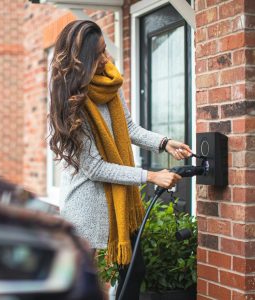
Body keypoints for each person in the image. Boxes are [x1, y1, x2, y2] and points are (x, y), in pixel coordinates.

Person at [48, 20, 192, 299]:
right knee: (86, 288)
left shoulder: (110, 83)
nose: (107, 59)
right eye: (98, 55)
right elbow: (95, 168)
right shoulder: (69, 105)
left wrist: (164, 143)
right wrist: (149, 176)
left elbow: (129, 129)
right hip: (87, 211)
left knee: (134, 272)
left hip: (120, 205)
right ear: (81, 62)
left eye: (105, 50)